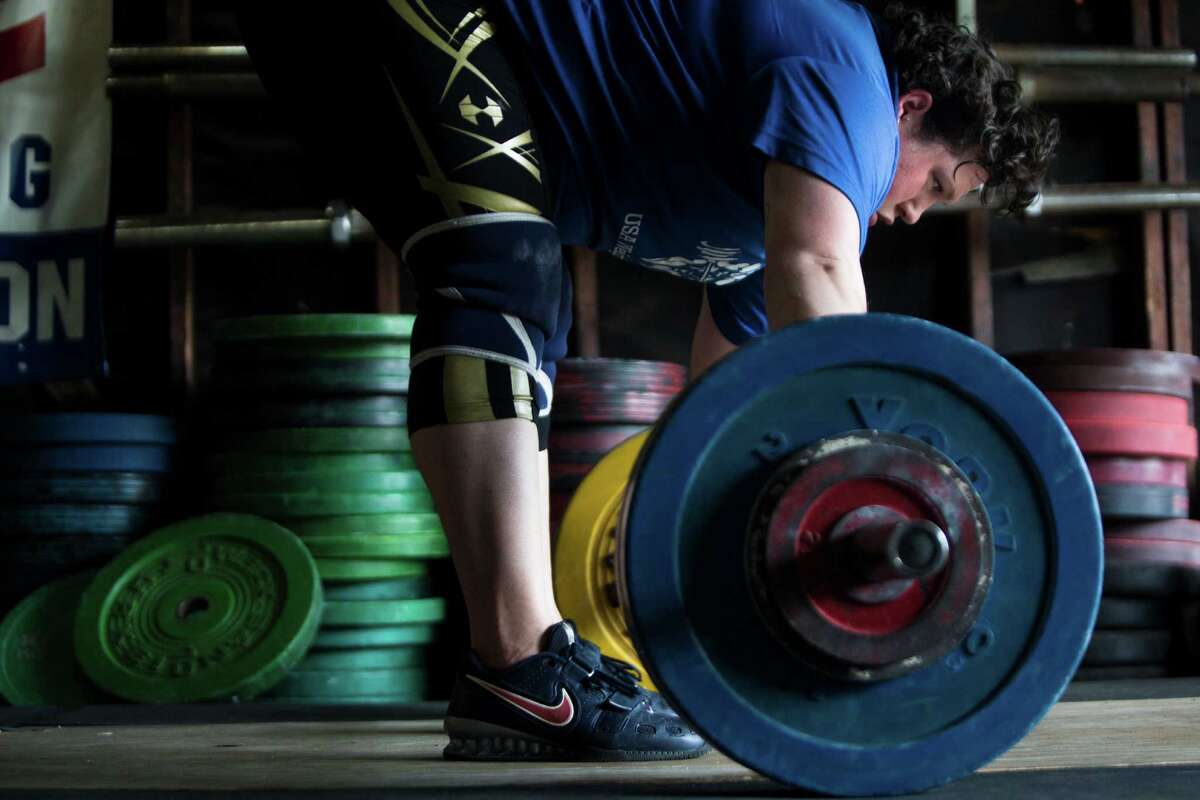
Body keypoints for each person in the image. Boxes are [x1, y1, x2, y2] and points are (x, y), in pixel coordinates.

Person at [237, 0, 1057, 762]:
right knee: (501, 272)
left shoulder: (775, 200)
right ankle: (519, 668)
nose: (915, 213)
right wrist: (886, 485)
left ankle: (518, 666)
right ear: (909, 109)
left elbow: (731, 420)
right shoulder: (848, 81)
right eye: (938, 184)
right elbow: (822, 276)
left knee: (509, 287)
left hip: (346, 53)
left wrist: (762, 616)